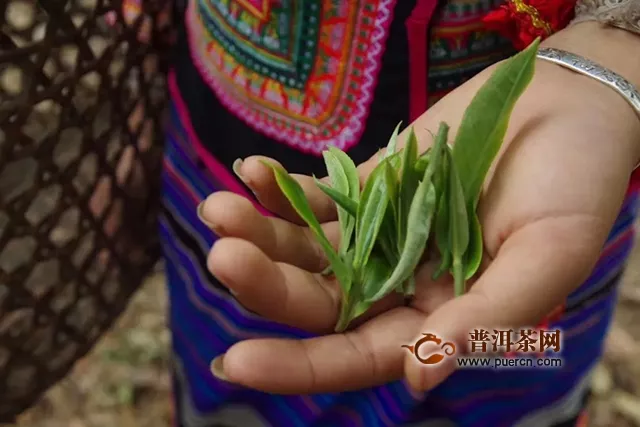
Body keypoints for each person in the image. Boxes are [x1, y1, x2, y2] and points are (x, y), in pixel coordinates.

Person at [158, 0, 640, 425]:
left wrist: (616, 52)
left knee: (501, 362)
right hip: (238, 110)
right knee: (246, 323)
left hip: (528, 180)